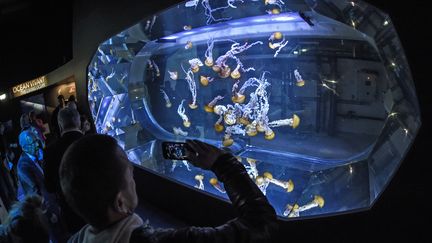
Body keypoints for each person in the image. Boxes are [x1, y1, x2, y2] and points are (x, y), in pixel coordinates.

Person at [60, 135, 278, 243]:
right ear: (120, 203)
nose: (134, 178)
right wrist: (222, 163)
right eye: (129, 173)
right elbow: (261, 225)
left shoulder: (77, 238)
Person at [44, 107, 86, 235]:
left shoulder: (49, 152)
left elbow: (50, 187)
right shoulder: (96, 141)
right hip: (102, 210)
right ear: (79, 121)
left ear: (60, 124)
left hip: (71, 214)